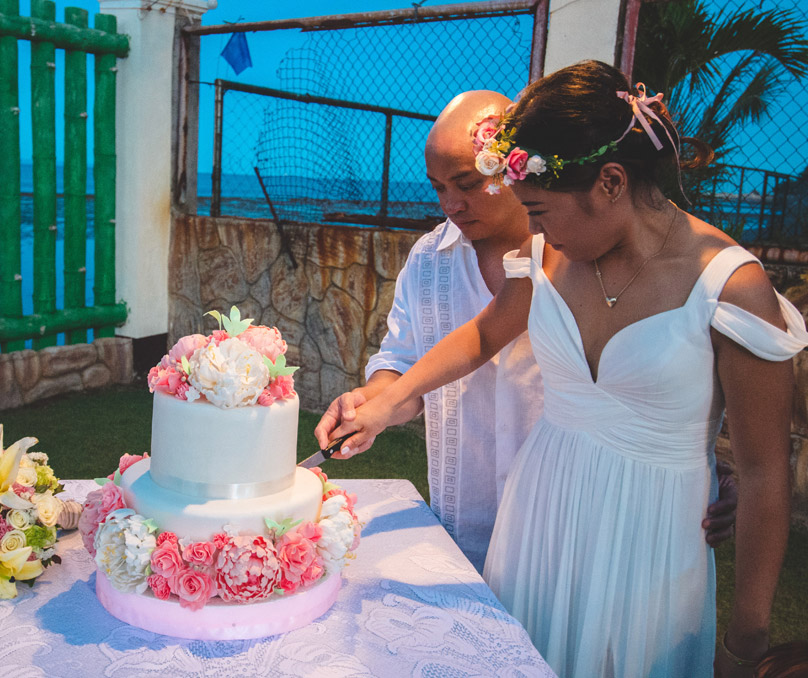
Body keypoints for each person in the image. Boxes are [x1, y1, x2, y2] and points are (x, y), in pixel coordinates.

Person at [328, 61, 806, 677]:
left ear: (610, 181)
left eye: (542, 211)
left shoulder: (732, 289)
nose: (531, 229)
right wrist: (387, 403)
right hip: (538, 514)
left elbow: (767, 474)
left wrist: (746, 638)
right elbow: (480, 336)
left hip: (652, 540)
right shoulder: (547, 254)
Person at [314, 90, 736, 569]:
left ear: (514, 169)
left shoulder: (584, 263)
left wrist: (692, 463)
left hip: (572, 519)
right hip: (461, 513)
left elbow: (653, 371)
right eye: (437, 187)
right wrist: (376, 401)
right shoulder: (429, 261)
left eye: (468, 183)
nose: (451, 203)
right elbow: (404, 364)